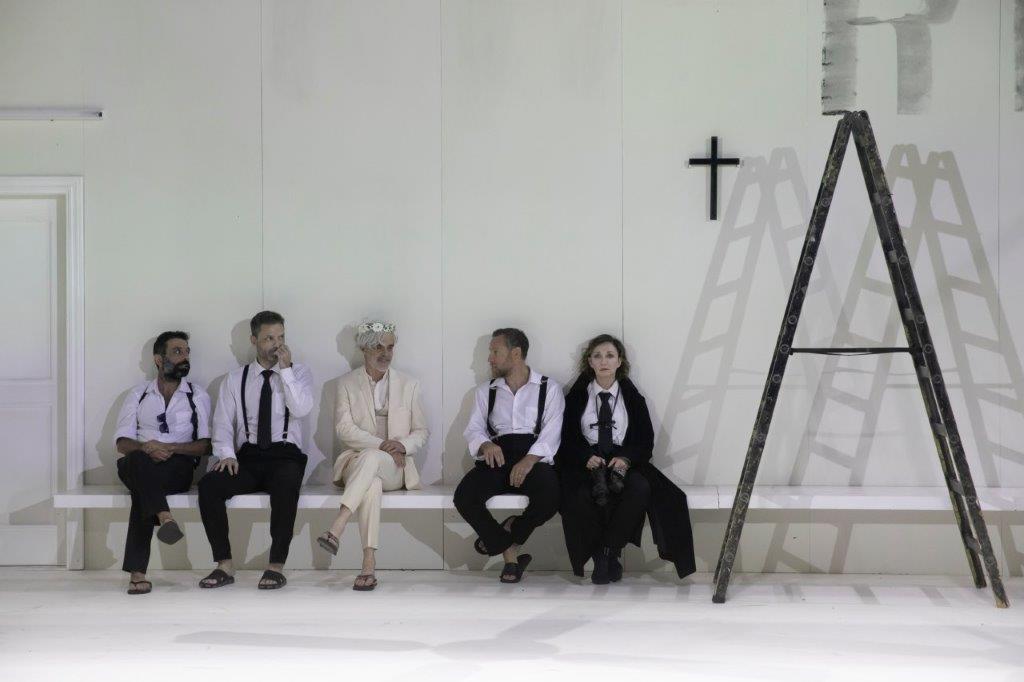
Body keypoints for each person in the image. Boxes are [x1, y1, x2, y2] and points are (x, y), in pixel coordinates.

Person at [556, 334, 695, 584]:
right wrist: (585, 456)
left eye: (610, 355)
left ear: (620, 361)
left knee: (641, 488)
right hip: (587, 462)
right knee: (578, 495)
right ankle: (602, 556)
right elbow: (565, 438)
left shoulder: (633, 398)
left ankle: (607, 552)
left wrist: (627, 458)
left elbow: (646, 440)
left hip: (622, 462)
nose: (604, 361)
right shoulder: (576, 397)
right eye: (597, 356)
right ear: (590, 362)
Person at [197, 311, 314, 590]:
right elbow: (222, 422)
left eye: (281, 337)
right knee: (210, 485)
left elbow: (301, 409)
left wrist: (285, 371)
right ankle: (224, 564)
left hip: (285, 455)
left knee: (286, 486)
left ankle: (275, 566)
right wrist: (227, 454)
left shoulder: (298, 373)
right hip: (248, 456)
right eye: (269, 338)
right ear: (254, 340)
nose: (277, 344)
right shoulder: (235, 379)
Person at [316, 320, 429, 591]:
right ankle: (368, 562)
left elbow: (421, 431)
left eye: (390, 347)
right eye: (378, 347)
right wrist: (382, 444)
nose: (385, 353)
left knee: (373, 463)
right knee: (371, 479)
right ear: (363, 349)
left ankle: (337, 527)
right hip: (355, 462)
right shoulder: (345, 383)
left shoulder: (409, 384)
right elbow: (344, 429)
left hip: (395, 466)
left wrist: (401, 446)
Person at [453, 328, 563, 583]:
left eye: (495, 352)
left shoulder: (549, 388)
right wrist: (485, 445)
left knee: (551, 497)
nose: (489, 358)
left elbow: (552, 431)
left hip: (533, 458)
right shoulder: (485, 390)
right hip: (497, 458)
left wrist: (529, 460)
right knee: (465, 496)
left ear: (516, 353)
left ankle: (512, 530)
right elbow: (474, 428)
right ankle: (509, 551)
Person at [113, 331, 211, 594]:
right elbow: (121, 443)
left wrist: (171, 447)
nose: (185, 357)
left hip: (177, 467)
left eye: (187, 351)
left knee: (142, 489)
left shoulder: (197, 395)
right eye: (177, 352)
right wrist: (146, 447)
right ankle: (165, 517)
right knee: (138, 462)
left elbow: (206, 445)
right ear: (159, 359)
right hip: (138, 462)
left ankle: (138, 573)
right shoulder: (138, 394)